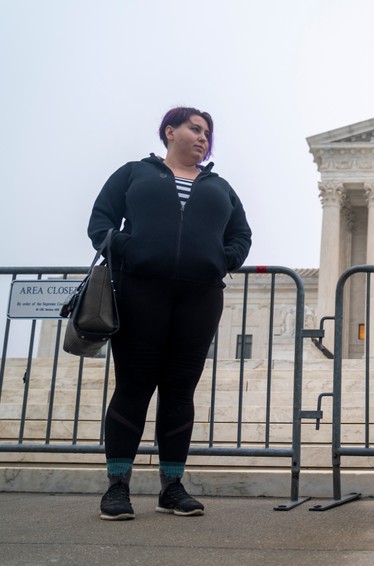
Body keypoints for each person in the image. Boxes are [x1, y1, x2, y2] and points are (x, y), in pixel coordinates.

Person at [87, 107, 252, 520]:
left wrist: (221, 259)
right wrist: (133, 250)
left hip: (199, 297)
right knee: (133, 386)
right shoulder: (134, 174)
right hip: (140, 291)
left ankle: (172, 486)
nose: (203, 138)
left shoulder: (220, 187)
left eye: (208, 133)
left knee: (180, 392)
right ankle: (117, 487)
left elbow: (242, 235)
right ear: (169, 131)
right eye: (195, 129)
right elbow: (100, 223)